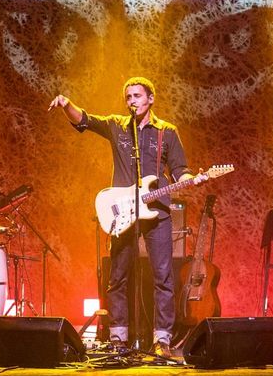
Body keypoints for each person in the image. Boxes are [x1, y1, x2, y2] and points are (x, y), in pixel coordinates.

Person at [48, 76, 192, 357]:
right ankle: (118, 336)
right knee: (118, 276)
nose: (132, 101)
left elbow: (180, 170)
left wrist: (191, 179)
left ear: (150, 99)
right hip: (124, 211)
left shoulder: (167, 132)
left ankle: (161, 339)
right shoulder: (117, 125)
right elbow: (85, 120)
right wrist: (67, 104)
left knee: (163, 276)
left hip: (157, 210)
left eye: (137, 96)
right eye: (128, 97)